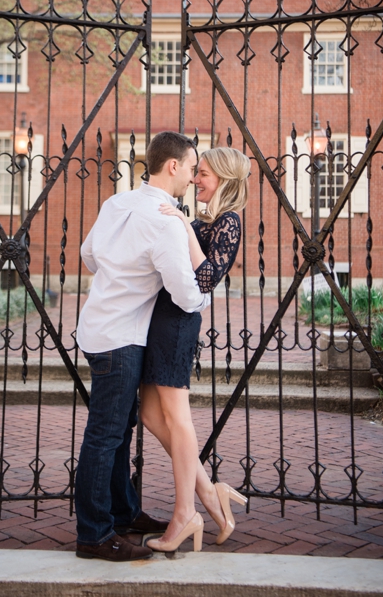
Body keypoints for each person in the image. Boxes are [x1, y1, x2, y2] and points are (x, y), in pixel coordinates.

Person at [74, 131, 211, 561]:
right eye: (191, 168)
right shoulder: (166, 221)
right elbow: (188, 295)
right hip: (122, 338)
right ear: (173, 166)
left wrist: (123, 272)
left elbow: (88, 254)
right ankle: (94, 535)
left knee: (117, 431)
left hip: (98, 329)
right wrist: (205, 294)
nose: (192, 178)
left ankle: (124, 514)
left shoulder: (118, 202)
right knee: (105, 435)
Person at [140, 146, 250, 552]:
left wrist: (185, 229)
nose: (195, 180)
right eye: (195, 172)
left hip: (178, 325)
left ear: (223, 178)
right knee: (150, 414)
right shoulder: (207, 218)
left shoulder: (230, 222)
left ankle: (185, 514)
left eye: (203, 174)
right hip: (159, 319)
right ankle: (210, 492)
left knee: (177, 417)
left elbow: (205, 279)